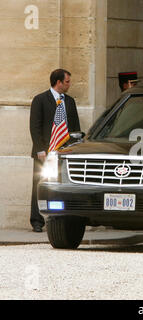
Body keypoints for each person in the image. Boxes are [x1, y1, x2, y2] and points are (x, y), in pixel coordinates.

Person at [29, 69, 81, 232]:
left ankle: (64, 218)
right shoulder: (40, 99)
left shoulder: (70, 101)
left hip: (64, 152)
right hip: (44, 152)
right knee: (39, 184)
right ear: (58, 82)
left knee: (64, 184)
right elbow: (34, 127)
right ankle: (37, 220)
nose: (69, 84)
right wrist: (39, 149)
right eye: (67, 82)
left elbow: (75, 127)